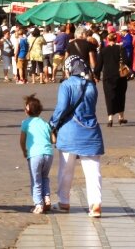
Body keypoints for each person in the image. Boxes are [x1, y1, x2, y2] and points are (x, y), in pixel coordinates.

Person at [50, 55, 104, 218]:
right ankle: (95, 204)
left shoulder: (66, 85)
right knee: (93, 171)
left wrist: (52, 124)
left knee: (66, 169)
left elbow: (61, 108)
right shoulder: (92, 85)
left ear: (69, 69)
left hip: (70, 131)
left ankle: (64, 201)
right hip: (91, 131)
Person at [20, 94, 54, 214]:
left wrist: (24, 151)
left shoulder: (26, 123)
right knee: (44, 177)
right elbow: (53, 140)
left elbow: (22, 140)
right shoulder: (45, 123)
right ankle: (47, 198)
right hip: (48, 154)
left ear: (27, 110)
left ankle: (38, 204)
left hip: (35, 155)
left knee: (36, 180)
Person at [94, 32, 128, 127]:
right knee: (120, 95)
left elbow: (98, 65)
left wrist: (96, 76)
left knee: (109, 97)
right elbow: (126, 61)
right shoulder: (121, 48)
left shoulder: (103, 51)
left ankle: (110, 118)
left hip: (108, 76)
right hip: (120, 76)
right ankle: (121, 117)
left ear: (107, 40)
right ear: (116, 39)